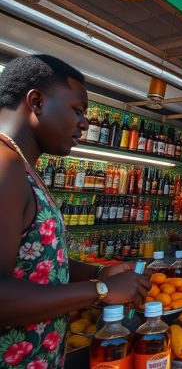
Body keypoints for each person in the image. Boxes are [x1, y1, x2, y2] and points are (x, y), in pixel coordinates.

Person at [0, 55, 150, 367]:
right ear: (36, 102)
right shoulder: (5, 165)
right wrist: (101, 289)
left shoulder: (23, 168)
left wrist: (97, 272)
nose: (84, 124)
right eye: (77, 111)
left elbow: (32, 262)